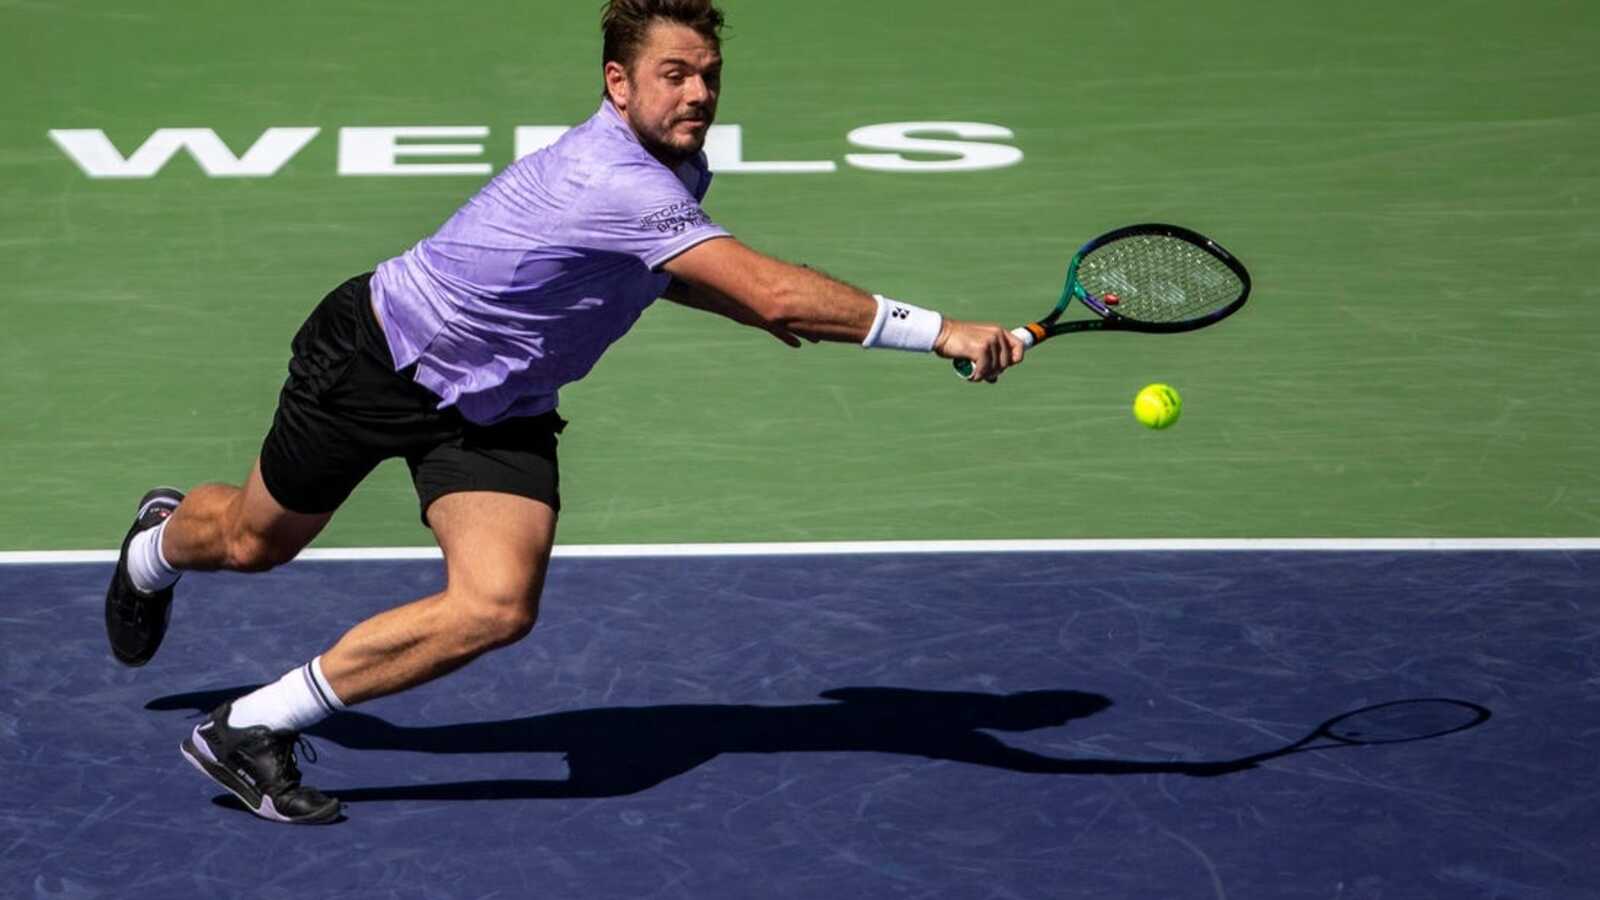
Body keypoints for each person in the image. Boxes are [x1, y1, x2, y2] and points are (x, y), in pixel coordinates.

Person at [104, 0, 1024, 825]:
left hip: (502, 404)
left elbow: (652, 273)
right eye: (675, 74)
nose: (699, 92)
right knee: (252, 545)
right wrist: (940, 331)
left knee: (497, 604)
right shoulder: (613, 178)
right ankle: (154, 546)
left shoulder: (676, 164)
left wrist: (741, 305)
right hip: (379, 359)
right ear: (617, 83)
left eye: (710, 74)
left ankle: (252, 724)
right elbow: (778, 292)